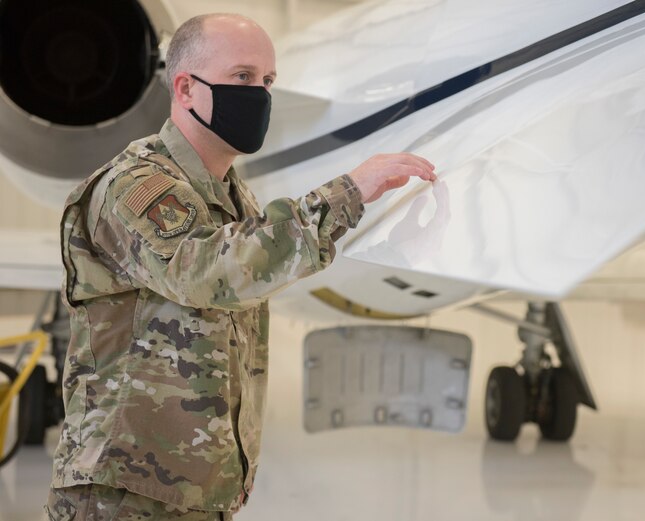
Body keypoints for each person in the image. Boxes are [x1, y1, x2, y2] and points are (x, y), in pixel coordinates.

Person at [45, 13, 436, 521]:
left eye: (268, 80)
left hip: (199, 494)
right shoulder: (136, 185)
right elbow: (203, 270)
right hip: (122, 496)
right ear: (186, 88)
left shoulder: (234, 198)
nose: (261, 94)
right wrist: (347, 194)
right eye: (244, 77)